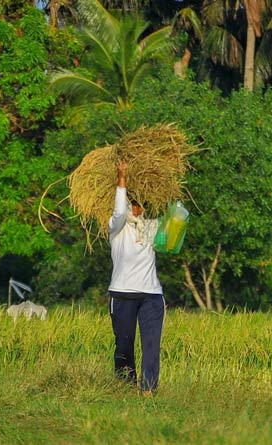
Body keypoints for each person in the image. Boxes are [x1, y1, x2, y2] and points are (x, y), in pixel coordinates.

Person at [107, 160, 165, 395]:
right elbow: (119, 211)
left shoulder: (151, 228)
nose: (136, 209)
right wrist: (122, 178)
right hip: (122, 294)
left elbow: (173, 237)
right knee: (124, 344)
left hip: (151, 295)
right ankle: (124, 386)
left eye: (140, 205)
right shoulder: (116, 228)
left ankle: (148, 389)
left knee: (151, 345)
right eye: (133, 204)